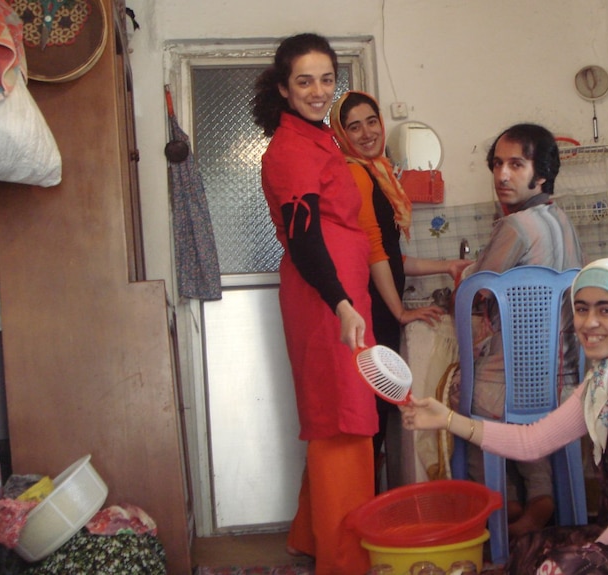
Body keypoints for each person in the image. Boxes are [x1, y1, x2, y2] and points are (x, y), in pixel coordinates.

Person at [402, 258, 608, 574]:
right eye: (581, 309)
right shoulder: (604, 381)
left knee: (559, 566)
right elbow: (532, 441)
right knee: (529, 547)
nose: (589, 323)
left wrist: (579, 559)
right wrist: (446, 419)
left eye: (606, 310)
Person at [251, 33, 375, 575]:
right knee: (342, 420)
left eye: (327, 79)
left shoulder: (320, 138)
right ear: (284, 87)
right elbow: (304, 240)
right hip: (326, 298)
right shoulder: (291, 149)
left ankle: (308, 537)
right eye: (305, 80)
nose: (319, 90)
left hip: (341, 295)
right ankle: (344, 561)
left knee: (337, 412)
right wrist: (342, 303)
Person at [329, 91, 471, 492]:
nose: (366, 132)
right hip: (372, 308)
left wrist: (446, 265)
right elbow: (374, 252)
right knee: (368, 414)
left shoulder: (377, 173)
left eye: (371, 121)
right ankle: (359, 505)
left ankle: (364, 503)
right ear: (341, 133)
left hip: (376, 304)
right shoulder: (357, 174)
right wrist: (400, 311)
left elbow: (392, 257)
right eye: (353, 126)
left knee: (372, 414)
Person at [458, 123, 585, 537]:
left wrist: (463, 282)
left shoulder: (513, 228)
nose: (502, 175)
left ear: (541, 174)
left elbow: (476, 295)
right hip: (564, 380)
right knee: (526, 415)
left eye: (516, 164)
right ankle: (541, 499)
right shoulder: (562, 221)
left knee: (469, 401)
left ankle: (503, 504)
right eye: (497, 164)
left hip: (512, 383)